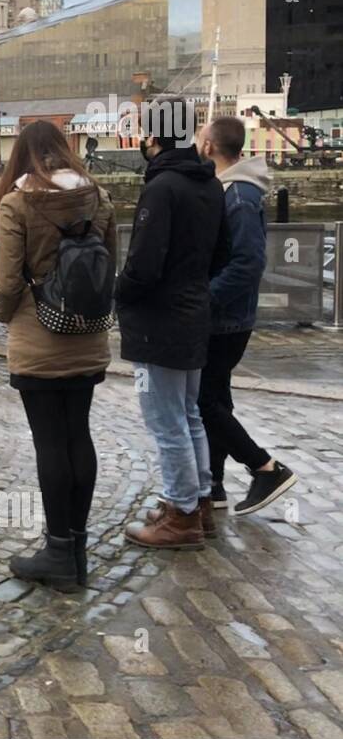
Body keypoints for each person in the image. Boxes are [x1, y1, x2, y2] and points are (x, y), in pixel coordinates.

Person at [0, 120, 115, 590]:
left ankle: (58, 552)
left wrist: (9, 316)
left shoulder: (17, 202)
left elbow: (5, 282)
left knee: (49, 441)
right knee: (78, 434)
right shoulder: (97, 197)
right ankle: (77, 549)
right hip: (87, 333)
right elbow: (111, 265)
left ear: (21, 155)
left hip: (37, 333)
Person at [118, 98, 229, 550]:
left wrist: (119, 294)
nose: (142, 139)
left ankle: (181, 515)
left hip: (158, 322)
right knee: (190, 414)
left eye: (146, 131)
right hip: (193, 312)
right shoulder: (210, 185)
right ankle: (197, 502)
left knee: (166, 421)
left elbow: (143, 264)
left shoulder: (162, 187)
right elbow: (221, 254)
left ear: (157, 136)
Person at [197, 116, 297, 514]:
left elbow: (248, 262)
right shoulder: (232, 190)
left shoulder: (237, 195)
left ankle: (265, 466)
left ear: (209, 147)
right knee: (217, 398)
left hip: (226, 319)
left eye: (200, 138)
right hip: (228, 316)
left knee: (204, 401)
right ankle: (214, 485)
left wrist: (207, 299)